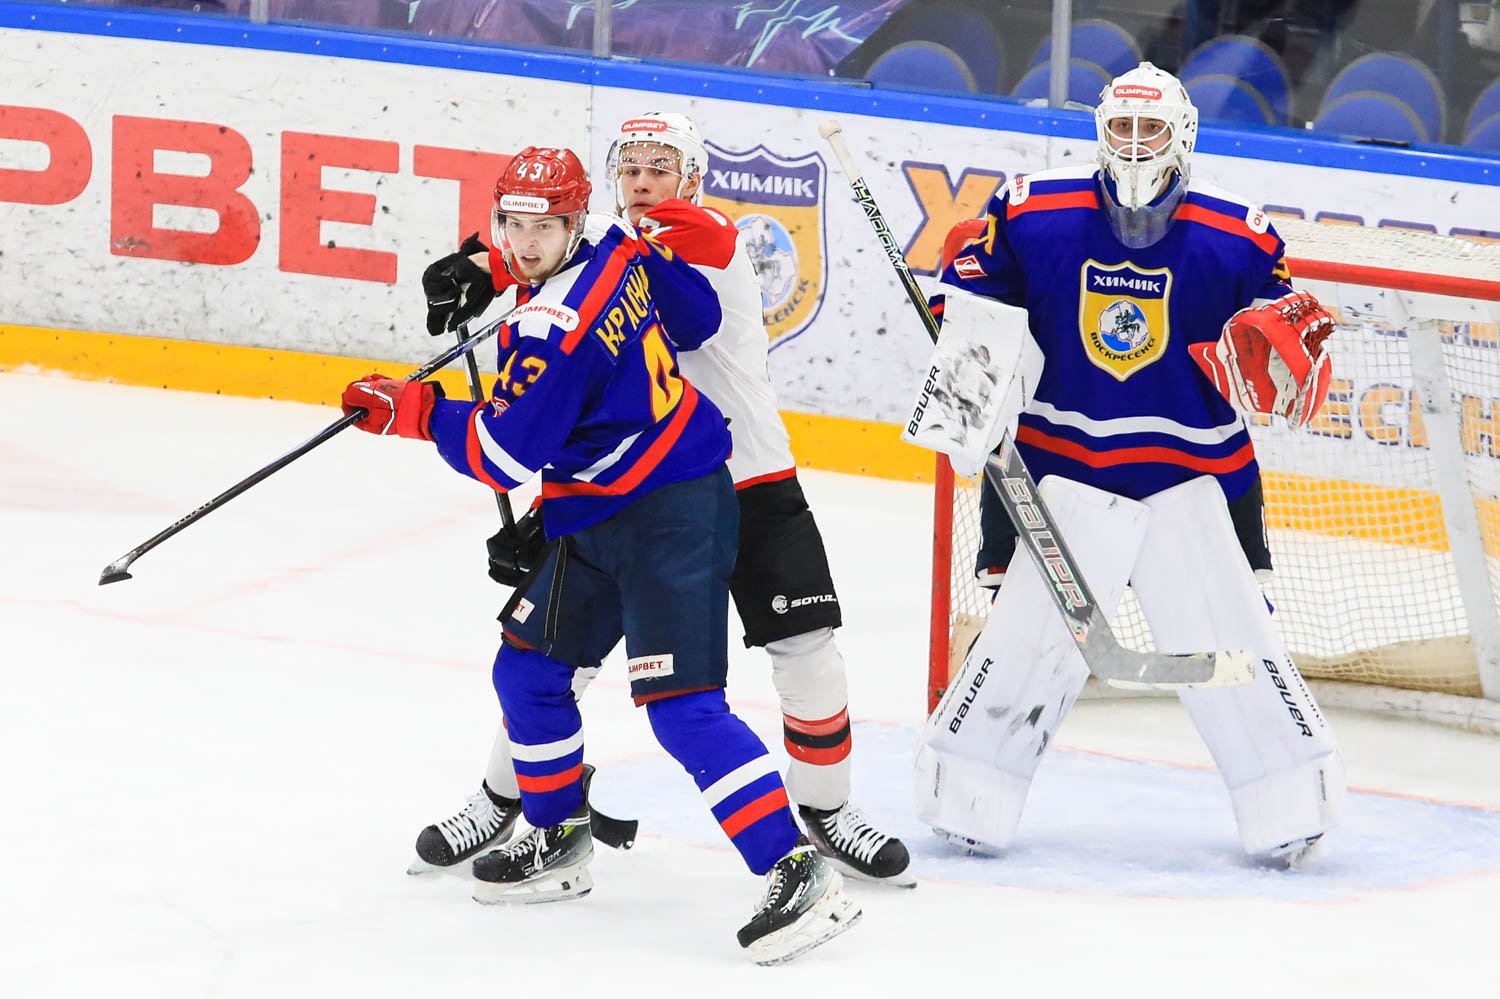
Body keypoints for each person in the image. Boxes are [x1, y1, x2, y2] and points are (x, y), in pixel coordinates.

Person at [340, 146, 859, 964]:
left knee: (682, 708)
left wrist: (414, 409)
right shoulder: (617, 240)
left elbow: (503, 453)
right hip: (599, 506)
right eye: (513, 224)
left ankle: (796, 869)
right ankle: (558, 837)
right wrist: (501, 275)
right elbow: (694, 317)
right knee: (527, 672)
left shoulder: (556, 329)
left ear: (572, 220)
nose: (526, 242)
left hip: (671, 510)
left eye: (544, 227)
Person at [413, 112, 913, 887]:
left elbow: (632, 251)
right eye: (632, 168)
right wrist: (485, 262)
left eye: (661, 167)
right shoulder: (603, 245)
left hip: (748, 475)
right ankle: (507, 797)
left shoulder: (705, 236)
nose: (644, 181)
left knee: (807, 649)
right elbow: (569, 253)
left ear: (694, 179)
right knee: (552, 660)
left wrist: (498, 263)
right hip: (636, 491)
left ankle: (826, 809)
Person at [911, 63, 1345, 867]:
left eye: (1152, 129)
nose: (1136, 145)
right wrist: (962, 320)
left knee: (1238, 645)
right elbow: (973, 291)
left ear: (1183, 135)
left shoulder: (1243, 235)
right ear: (1100, 131)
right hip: (1061, 472)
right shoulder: (1032, 209)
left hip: (1196, 475)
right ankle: (971, 792)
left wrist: (1280, 339)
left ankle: (1289, 801)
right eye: (1122, 127)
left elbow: (1279, 329)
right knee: (1024, 642)